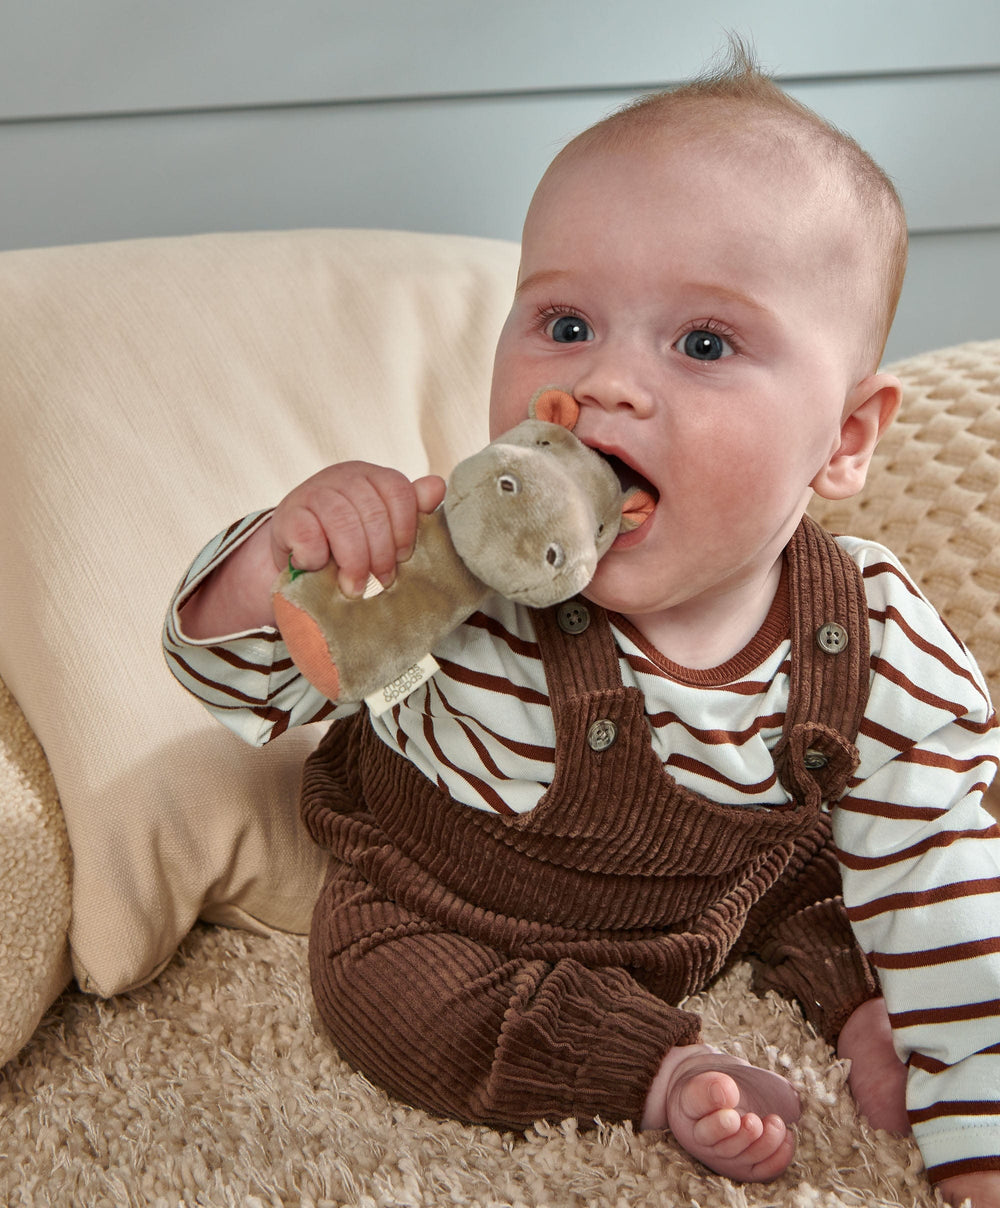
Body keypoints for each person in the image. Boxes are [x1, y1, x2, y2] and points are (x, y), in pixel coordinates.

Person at [165, 45, 1000, 1207]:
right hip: (447, 893)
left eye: (703, 344)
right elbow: (243, 691)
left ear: (844, 439)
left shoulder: (869, 632)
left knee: (859, 878)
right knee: (377, 982)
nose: (606, 381)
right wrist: (281, 560)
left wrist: (978, 1144)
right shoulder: (454, 563)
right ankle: (650, 1068)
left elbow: (946, 879)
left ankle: (862, 1008)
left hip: (724, 891)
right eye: (564, 323)